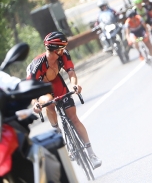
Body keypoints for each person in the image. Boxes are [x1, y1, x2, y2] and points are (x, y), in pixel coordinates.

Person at [27, 32, 102, 168]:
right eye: (61, 49)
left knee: (74, 118)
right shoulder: (38, 64)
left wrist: (74, 85)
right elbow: (30, 89)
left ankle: (91, 154)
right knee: (50, 102)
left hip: (56, 82)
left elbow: (71, 72)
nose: (64, 51)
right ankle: (57, 130)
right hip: (41, 88)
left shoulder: (64, 55)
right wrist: (35, 104)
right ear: (55, 50)